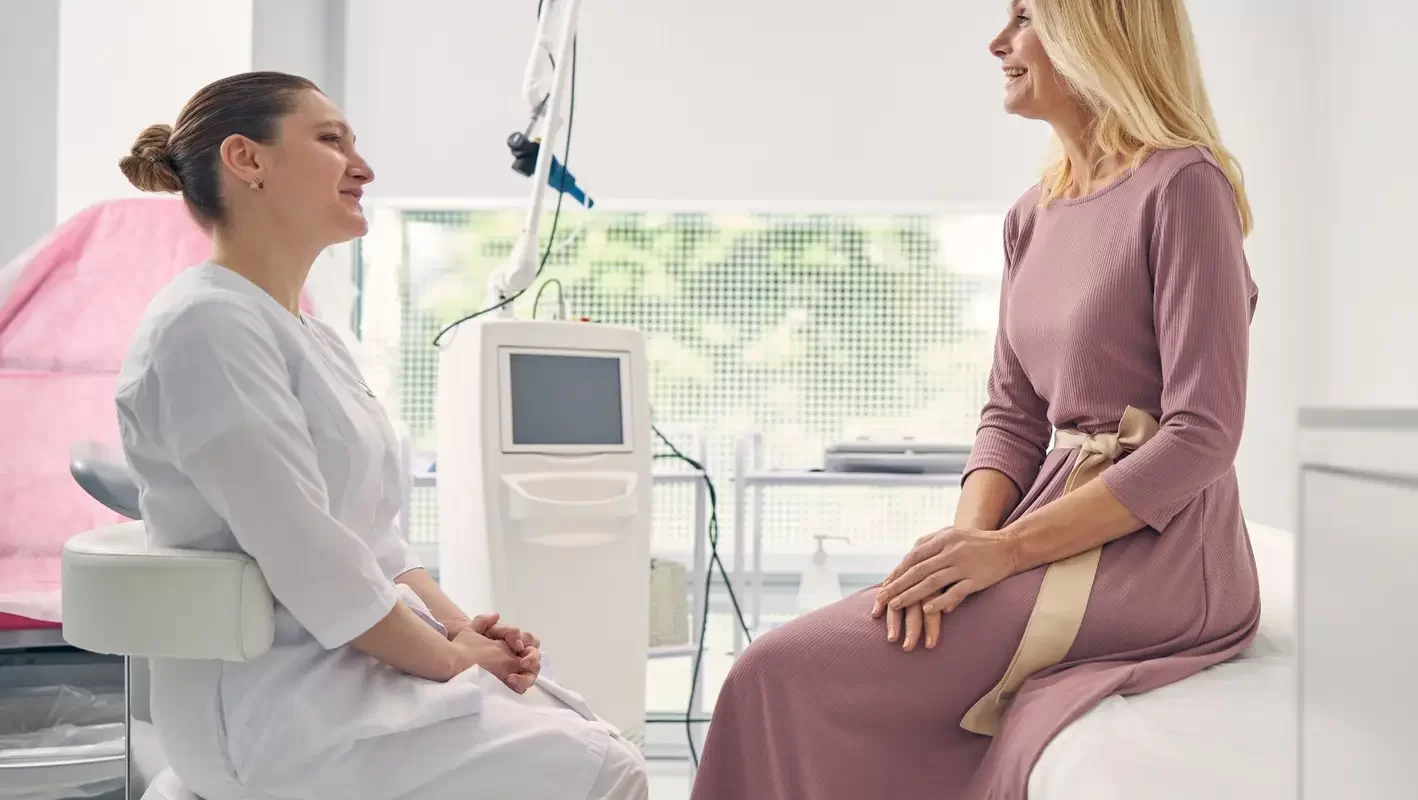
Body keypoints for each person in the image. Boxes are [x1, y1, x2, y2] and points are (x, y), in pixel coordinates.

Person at [690, 0, 1261, 796]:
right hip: (1049, 521)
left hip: (1158, 555)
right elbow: (1012, 417)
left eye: (1025, 16)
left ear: (1097, 31)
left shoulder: (1184, 186)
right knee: (786, 665)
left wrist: (1009, 552)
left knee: (774, 671)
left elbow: (1203, 434)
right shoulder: (1032, 214)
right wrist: (965, 548)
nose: (998, 42)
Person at [114, 72, 647, 800]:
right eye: (331, 141)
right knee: (605, 770)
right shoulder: (205, 326)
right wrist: (452, 659)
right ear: (247, 159)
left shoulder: (306, 334)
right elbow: (310, 556)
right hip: (276, 704)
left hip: (347, 666)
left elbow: (375, 539)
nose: (362, 168)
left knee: (594, 740)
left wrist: (462, 630)